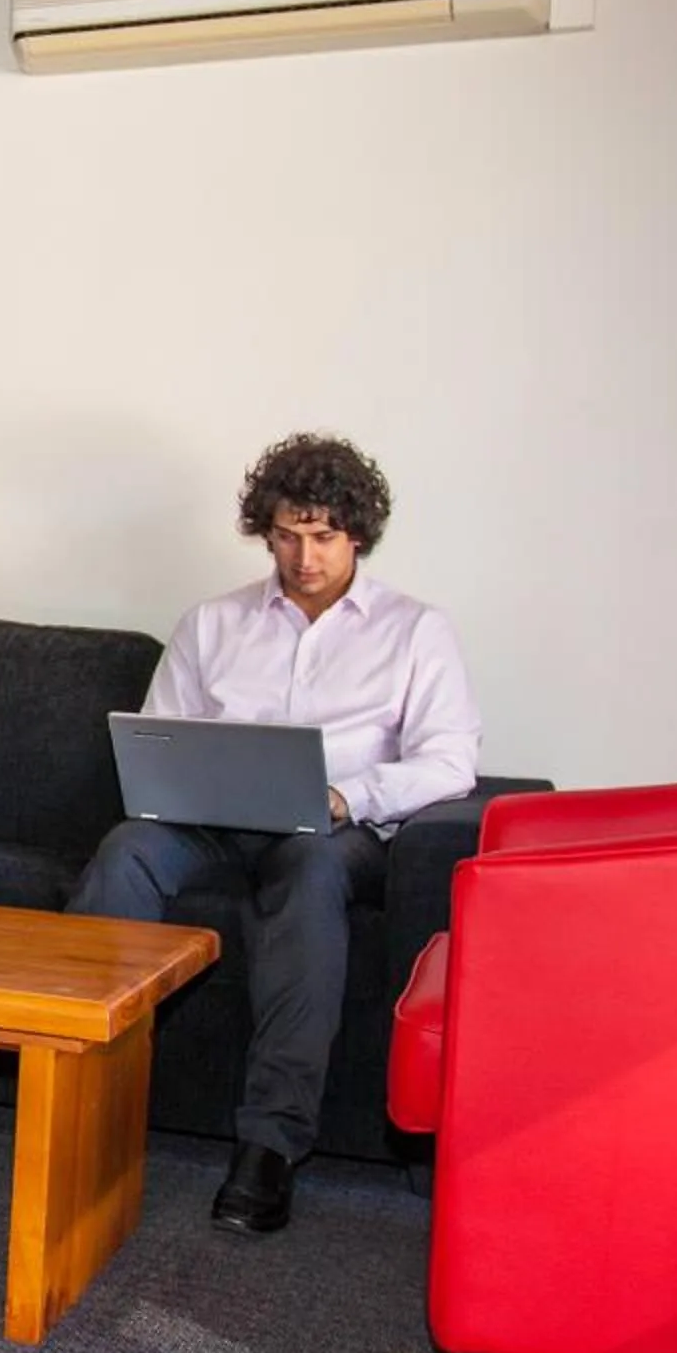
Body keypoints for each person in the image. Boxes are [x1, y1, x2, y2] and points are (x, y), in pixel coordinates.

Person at [70, 433, 479, 1238]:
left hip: (335, 832)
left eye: (322, 536)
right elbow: (160, 736)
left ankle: (269, 1146)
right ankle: (78, 1095)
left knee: (309, 874)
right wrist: (172, 785)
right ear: (266, 531)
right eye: (287, 535)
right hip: (214, 823)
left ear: (356, 533)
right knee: (124, 853)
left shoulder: (415, 631)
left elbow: (452, 761)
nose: (304, 556)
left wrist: (345, 794)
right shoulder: (213, 622)